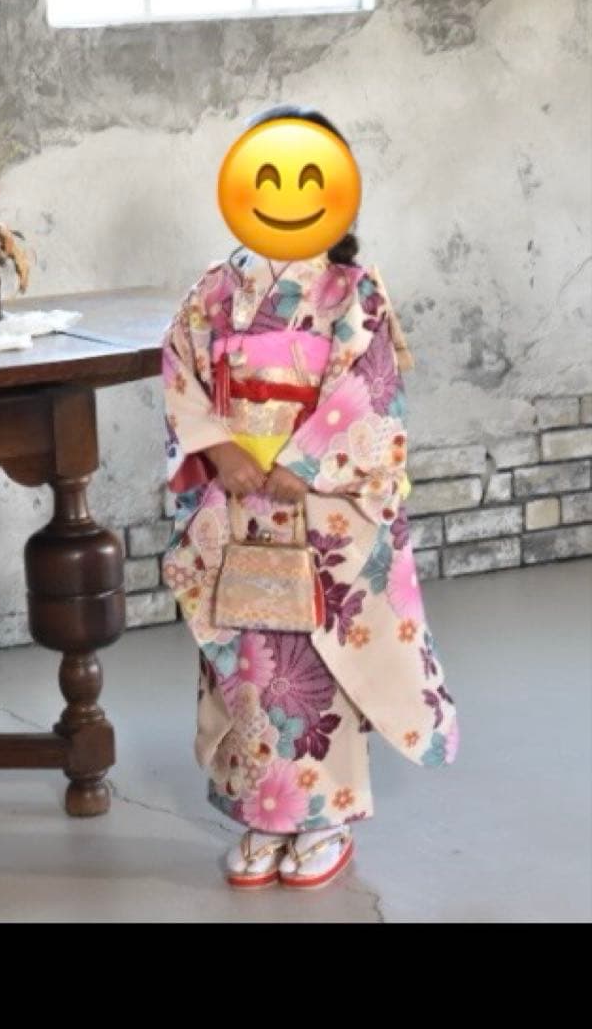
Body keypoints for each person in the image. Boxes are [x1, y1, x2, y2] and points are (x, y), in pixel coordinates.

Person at [162, 105, 458, 890]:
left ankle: (323, 817)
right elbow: (181, 368)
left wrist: (305, 460)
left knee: (316, 657)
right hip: (238, 499)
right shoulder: (214, 292)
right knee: (251, 659)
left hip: (320, 505)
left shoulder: (354, 293)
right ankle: (261, 816)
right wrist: (220, 448)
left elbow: (371, 388)